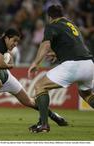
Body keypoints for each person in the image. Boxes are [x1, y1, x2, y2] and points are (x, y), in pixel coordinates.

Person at [28, 5, 94, 133]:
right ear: (62, 14)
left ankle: (43, 125)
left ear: (49, 17)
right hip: (89, 64)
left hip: (73, 65)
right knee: (86, 94)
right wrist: (58, 54)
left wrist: (36, 62)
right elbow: (73, 45)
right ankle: (43, 124)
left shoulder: (52, 25)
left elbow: (46, 45)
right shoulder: (72, 25)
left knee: (40, 86)